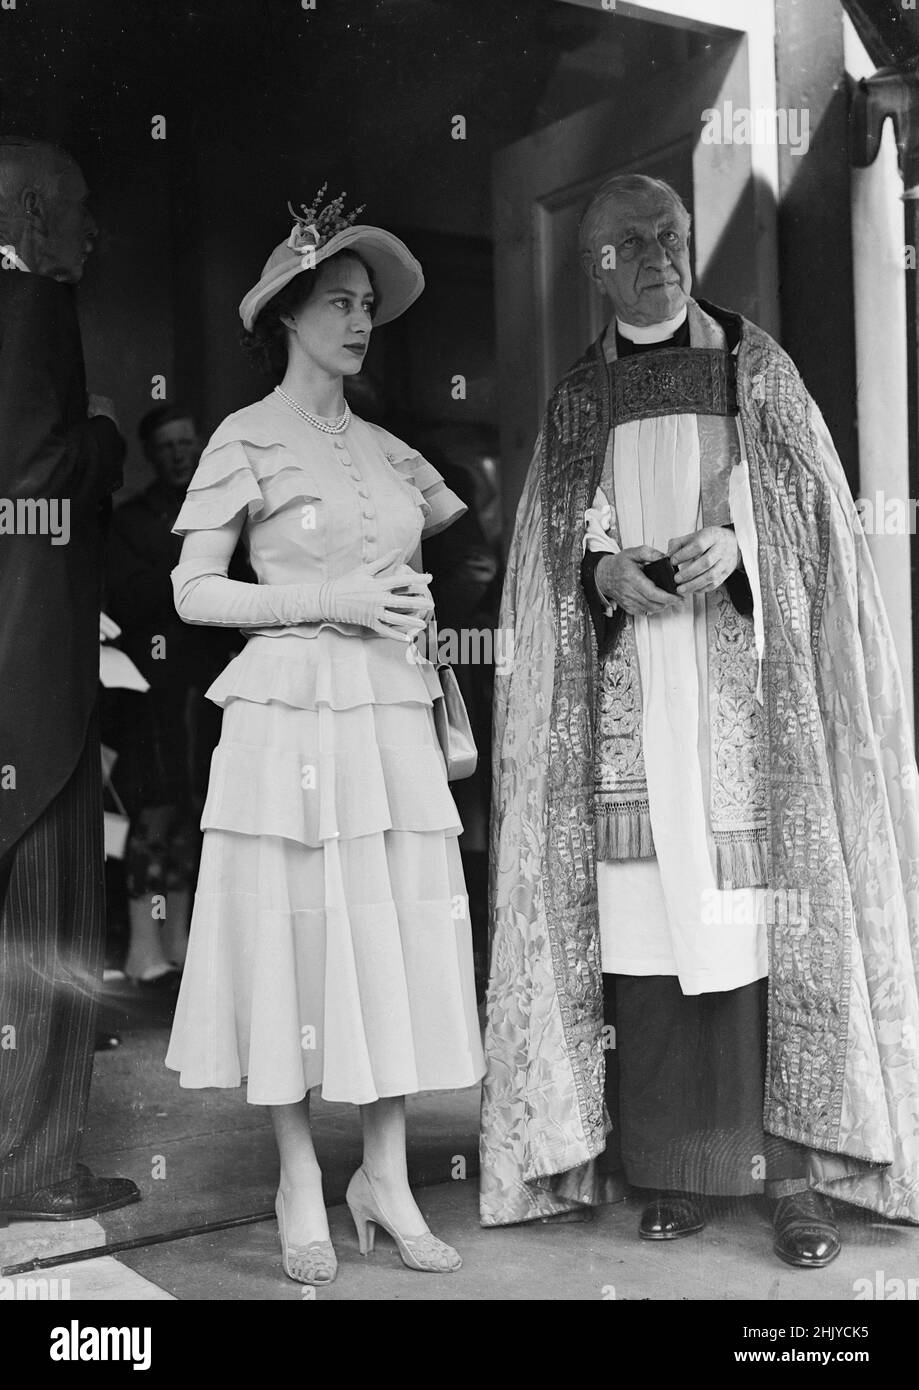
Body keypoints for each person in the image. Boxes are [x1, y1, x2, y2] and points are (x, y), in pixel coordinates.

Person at [480, 173, 919, 1267]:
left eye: (671, 236)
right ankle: (671, 1167)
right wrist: (600, 573)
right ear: (595, 268)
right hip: (631, 710)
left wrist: (744, 552)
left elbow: (817, 523)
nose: (663, 257)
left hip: (748, 709)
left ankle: (796, 1184)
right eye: (633, 244)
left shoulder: (754, 370)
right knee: (647, 935)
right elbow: (545, 561)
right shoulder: (578, 399)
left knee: (765, 930)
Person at [164, 190, 485, 1285]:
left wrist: (410, 614)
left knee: (387, 930)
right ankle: (299, 1172)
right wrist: (325, 600)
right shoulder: (242, 438)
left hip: (389, 715)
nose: (359, 321)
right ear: (288, 316)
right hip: (288, 713)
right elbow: (195, 592)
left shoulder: (395, 453)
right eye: (339, 303)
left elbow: (426, 570)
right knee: (296, 940)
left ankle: (384, 1175)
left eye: (367, 306)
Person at [0, 137, 139, 1222]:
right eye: (83, 210)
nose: (93, 234)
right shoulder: (30, 310)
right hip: (31, 676)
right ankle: (32, 1166)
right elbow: (40, 482)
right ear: (36, 216)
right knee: (45, 930)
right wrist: (103, 442)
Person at [105, 403, 247, 984]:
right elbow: (134, 598)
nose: (178, 452)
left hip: (209, 682)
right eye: (166, 444)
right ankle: (143, 947)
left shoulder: (223, 512)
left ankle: (180, 939)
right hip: (152, 688)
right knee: (154, 812)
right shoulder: (130, 520)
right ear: (151, 453)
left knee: (197, 810)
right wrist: (193, 578)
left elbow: (241, 588)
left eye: (186, 441)